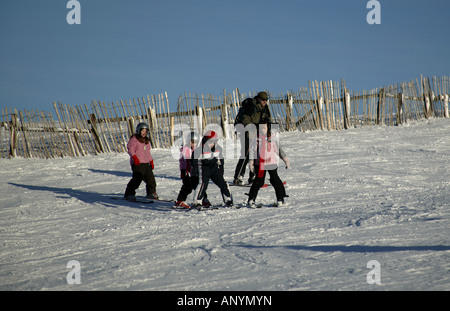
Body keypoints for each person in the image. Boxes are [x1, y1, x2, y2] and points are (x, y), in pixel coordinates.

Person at [247, 119, 290, 207]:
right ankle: (251, 199)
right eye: (261, 128)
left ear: (268, 128)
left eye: (264, 128)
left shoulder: (272, 138)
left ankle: (280, 198)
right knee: (258, 181)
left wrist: (285, 160)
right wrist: (251, 162)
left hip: (271, 163)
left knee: (275, 180)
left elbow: (279, 150)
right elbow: (252, 151)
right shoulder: (257, 138)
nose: (262, 130)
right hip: (260, 163)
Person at [233, 91, 271, 186]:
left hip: (258, 133)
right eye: (263, 100)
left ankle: (252, 176)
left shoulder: (265, 108)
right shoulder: (251, 106)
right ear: (258, 98)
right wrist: (253, 127)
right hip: (246, 133)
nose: (264, 102)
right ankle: (238, 177)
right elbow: (245, 119)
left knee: (255, 155)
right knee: (246, 154)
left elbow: (267, 120)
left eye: (266, 100)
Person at [192, 130, 233, 207]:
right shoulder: (198, 151)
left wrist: (221, 169)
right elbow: (194, 162)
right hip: (204, 169)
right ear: (205, 141)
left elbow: (220, 160)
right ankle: (197, 202)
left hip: (214, 168)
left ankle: (228, 199)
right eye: (209, 143)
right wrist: (195, 170)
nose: (211, 145)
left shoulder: (218, 149)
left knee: (223, 183)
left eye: (213, 143)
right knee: (203, 184)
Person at [174, 131, 210, 209]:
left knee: (200, 186)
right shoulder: (185, 150)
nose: (194, 144)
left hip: (196, 172)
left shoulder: (198, 150)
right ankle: (180, 201)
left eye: (195, 142)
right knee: (187, 187)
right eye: (192, 142)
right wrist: (183, 170)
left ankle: (203, 199)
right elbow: (182, 162)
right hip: (187, 172)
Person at [124, 122, 158, 201]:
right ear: (138, 131)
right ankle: (129, 193)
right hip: (137, 163)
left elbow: (148, 152)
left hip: (146, 163)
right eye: (142, 131)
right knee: (137, 179)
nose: (144, 133)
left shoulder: (146, 141)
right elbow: (130, 149)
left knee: (151, 179)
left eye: (146, 131)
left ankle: (151, 193)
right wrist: (135, 158)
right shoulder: (134, 139)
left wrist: (151, 161)